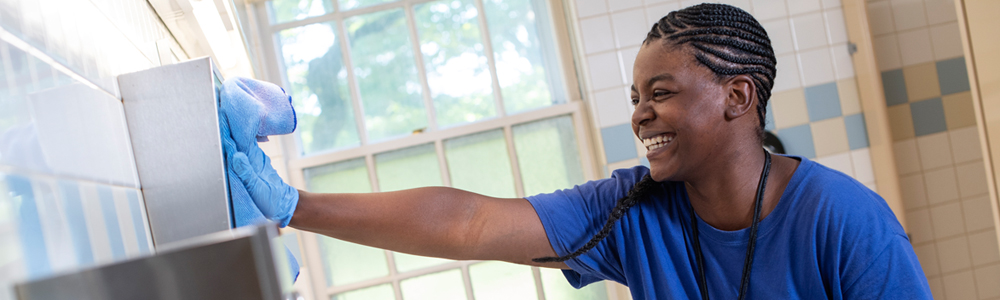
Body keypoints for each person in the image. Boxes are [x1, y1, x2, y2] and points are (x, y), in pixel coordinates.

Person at [228, 3, 931, 299]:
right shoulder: (633, 211)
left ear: (737, 97)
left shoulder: (848, 227)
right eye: (634, 96)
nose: (640, 113)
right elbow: (471, 224)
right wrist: (296, 204)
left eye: (661, 91)